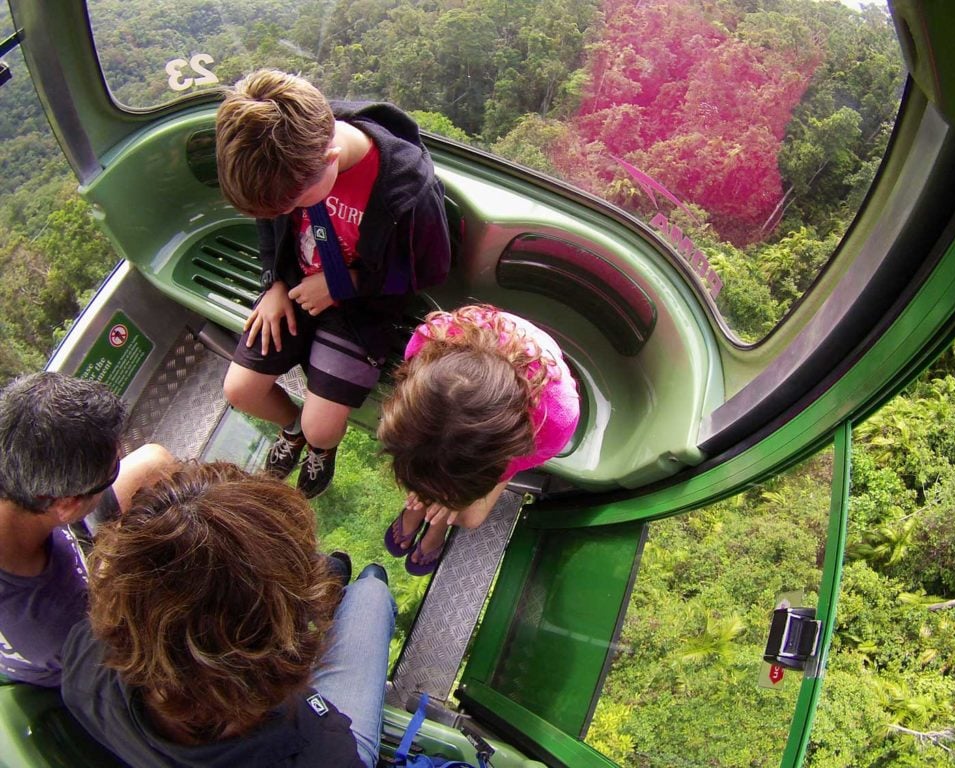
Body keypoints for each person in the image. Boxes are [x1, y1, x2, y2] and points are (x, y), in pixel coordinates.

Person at [61, 461, 396, 768]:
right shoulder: (326, 753)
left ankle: (332, 574)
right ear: (281, 645)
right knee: (372, 591)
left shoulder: (85, 662)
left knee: (345, 580)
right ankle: (352, 577)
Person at [216, 69, 451, 499]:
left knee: (320, 424)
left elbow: (429, 269)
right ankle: (291, 429)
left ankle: (319, 446)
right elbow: (271, 225)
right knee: (241, 389)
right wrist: (271, 285)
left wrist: (348, 283)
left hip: (363, 306)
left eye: (293, 204)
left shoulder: (406, 190)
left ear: (329, 162)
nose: (285, 211)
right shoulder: (291, 162)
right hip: (295, 286)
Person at [377, 305, 581, 576]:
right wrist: (434, 489)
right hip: (483, 379)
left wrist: (453, 499)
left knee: (469, 517)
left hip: (526, 421)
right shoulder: (429, 341)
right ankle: (427, 508)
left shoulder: (555, 420)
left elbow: (516, 460)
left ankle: (434, 519)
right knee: (431, 472)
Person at [0, 372, 173, 687]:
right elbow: (142, 675)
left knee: (153, 463)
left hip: (67, 542)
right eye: (111, 473)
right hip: (100, 647)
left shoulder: (15, 477)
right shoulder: (55, 625)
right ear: (67, 505)